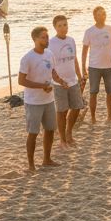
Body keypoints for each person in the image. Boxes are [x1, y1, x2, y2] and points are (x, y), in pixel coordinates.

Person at [18, 26, 59, 170]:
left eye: (47, 37)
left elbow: (52, 71)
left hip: (49, 99)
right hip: (33, 101)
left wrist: (61, 81)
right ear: (34, 39)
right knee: (33, 133)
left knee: (50, 130)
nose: (46, 39)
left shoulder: (49, 54)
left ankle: (47, 159)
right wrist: (41, 86)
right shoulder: (27, 58)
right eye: (43, 37)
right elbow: (21, 81)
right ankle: (31, 165)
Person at [81, 6, 111, 123]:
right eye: (99, 14)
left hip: (109, 66)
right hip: (94, 67)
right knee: (93, 92)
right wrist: (83, 67)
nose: (102, 16)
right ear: (94, 16)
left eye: (104, 14)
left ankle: (110, 116)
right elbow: (84, 50)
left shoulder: (110, 29)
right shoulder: (89, 31)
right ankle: (93, 118)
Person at [49, 15, 84, 147]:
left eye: (65, 25)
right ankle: (62, 139)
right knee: (62, 111)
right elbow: (50, 65)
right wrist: (58, 80)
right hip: (59, 83)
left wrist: (80, 76)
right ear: (55, 27)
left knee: (76, 107)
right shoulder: (51, 43)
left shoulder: (71, 40)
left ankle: (69, 132)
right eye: (60, 26)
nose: (63, 28)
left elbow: (74, 59)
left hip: (73, 80)